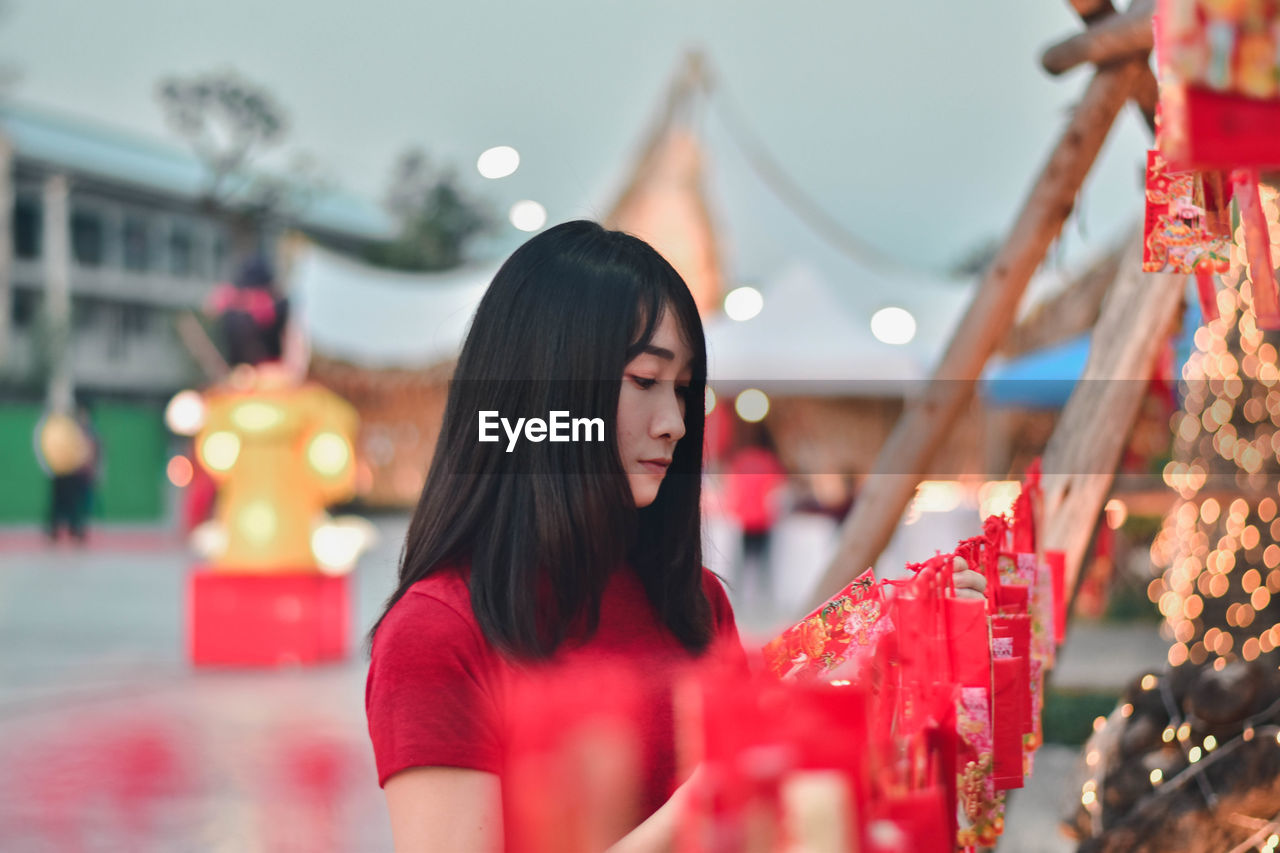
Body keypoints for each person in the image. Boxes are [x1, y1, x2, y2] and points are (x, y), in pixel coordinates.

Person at [363, 221, 986, 851]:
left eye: (686, 390)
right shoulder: (436, 634)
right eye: (644, 381)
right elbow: (722, 795)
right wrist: (712, 791)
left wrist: (871, 659)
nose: (676, 423)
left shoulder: (692, 601)